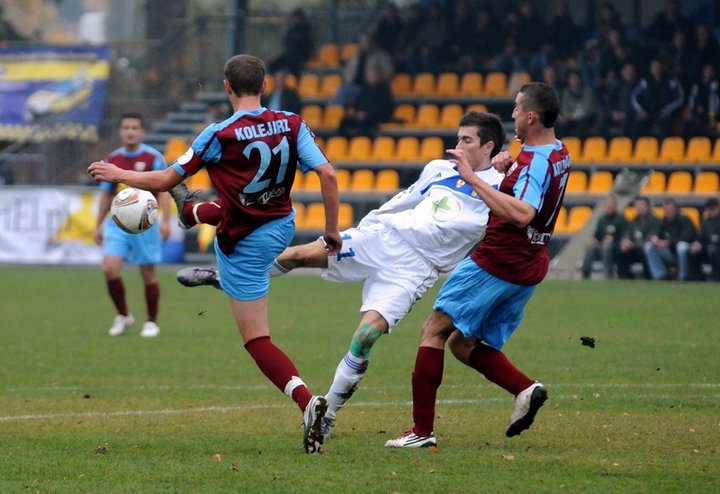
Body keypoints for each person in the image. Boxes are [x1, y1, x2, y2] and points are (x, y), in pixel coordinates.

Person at [174, 111, 506, 438]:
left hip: (416, 268)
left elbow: (505, 212)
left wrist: (504, 169)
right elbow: (407, 201)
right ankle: (224, 277)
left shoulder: (502, 186)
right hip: (381, 238)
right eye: (458, 138)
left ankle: (326, 414)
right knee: (300, 254)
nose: (457, 147)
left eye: (467, 140)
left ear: (488, 147)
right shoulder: (439, 168)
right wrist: (371, 225)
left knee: (365, 338)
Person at [88, 54, 342, 454]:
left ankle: (307, 402)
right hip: (281, 224)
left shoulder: (217, 133)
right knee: (232, 220)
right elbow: (327, 174)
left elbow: (165, 178)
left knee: (257, 338)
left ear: (227, 87)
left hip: (241, 241)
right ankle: (195, 218)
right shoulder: (293, 123)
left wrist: (118, 174)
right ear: (265, 85)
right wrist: (331, 229)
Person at [385, 82, 569, 449]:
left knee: (433, 331)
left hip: (498, 259)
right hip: (530, 264)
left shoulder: (532, 162)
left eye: (517, 110)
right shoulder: (557, 152)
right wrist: (510, 163)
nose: (512, 115)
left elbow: (522, 213)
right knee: (462, 342)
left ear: (530, 116)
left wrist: (473, 179)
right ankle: (525, 388)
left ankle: (421, 432)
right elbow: (536, 183)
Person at [92, 113, 171, 338]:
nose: (130, 132)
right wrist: (98, 225)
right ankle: (124, 315)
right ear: (120, 131)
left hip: (145, 223)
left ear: (142, 131)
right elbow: (106, 196)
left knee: (147, 272)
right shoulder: (112, 159)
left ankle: (151, 322)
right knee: (109, 268)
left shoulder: (153, 157)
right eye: (126, 127)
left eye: (135, 128)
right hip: (117, 222)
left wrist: (165, 221)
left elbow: (163, 191)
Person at [644, 197, 697, 281]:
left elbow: (688, 237)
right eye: (665, 209)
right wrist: (655, 239)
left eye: (670, 209)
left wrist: (669, 242)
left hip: (687, 251)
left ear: (676, 209)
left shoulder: (684, 219)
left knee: (681, 246)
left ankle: (683, 276)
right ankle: (660, 275)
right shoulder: (664, 220)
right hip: (670, 252)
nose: (667, 212)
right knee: (649, 246)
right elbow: (656, 234)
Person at [630, 58, 684, 140]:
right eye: (654, 66)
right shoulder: (645, 81)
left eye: (658, 66)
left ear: (662, 67)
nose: (656, 68)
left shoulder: (671, 80)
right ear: (651, 68)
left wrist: (668, 109)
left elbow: (680, 98)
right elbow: (634, 96)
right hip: (647, 113)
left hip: (663, 113)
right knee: (637, 126)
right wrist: (640, 110)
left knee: (665, 126)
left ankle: (663, 150)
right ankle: (634, 149)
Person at [337, 63, 394, 138]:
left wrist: (367, 114)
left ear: (379, 75)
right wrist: (358, 113)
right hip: (362, 116)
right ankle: (343, 142)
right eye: (370, 74)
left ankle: (363, 143)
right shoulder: (365, 89)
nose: (372, 76)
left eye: (374, 74)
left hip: (376, 117)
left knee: (367, 124)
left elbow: (382, 106)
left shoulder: (384, 90)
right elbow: (358, 103)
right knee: (345, 122)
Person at [580, 195, 628, 279]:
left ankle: (608, 273)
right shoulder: (602, 219)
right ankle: (585, 273)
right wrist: (593, 239)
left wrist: (614, 239)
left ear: (615, 205)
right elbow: (597, 234)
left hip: (615, 246)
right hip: (601, 244)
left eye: (611, 204)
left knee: (606, 246)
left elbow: (625, 235)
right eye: (607, 204)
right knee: (590, 247)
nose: (609, 206)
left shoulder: (621, 218)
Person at [614, 195, 660, 279]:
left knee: (645, 250)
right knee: (620, 249)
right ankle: (624, 277)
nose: (639, 207)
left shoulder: (654, 220)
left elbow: (651, 238)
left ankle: (649, 277)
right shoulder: (634, 221)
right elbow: (628, 234)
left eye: (641, 205)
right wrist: (625, 242)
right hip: (635, 248)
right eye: (637, 205)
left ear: (647, 206)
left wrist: (634, 244)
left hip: (646, 248)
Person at [267, 8, 314, 79]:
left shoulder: (306, 29)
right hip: (290, 55)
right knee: (273, 64)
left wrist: (288, 31)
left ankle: (295, 82)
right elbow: (287, 44)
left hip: (302, 55)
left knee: (293, 65)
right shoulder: (293, 28)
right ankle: (276, 83)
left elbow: (299, 42)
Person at [689, 197, 720, 281]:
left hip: (717, 246)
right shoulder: (706, 221)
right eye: (708, 210)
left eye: (712, 209)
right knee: (692, 250)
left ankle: (717, 277)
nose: (710, 212)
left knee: (712, 250)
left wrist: (704, 244)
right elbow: (701, 236)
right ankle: (697, 277)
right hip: (708, 246)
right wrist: (697, 243)